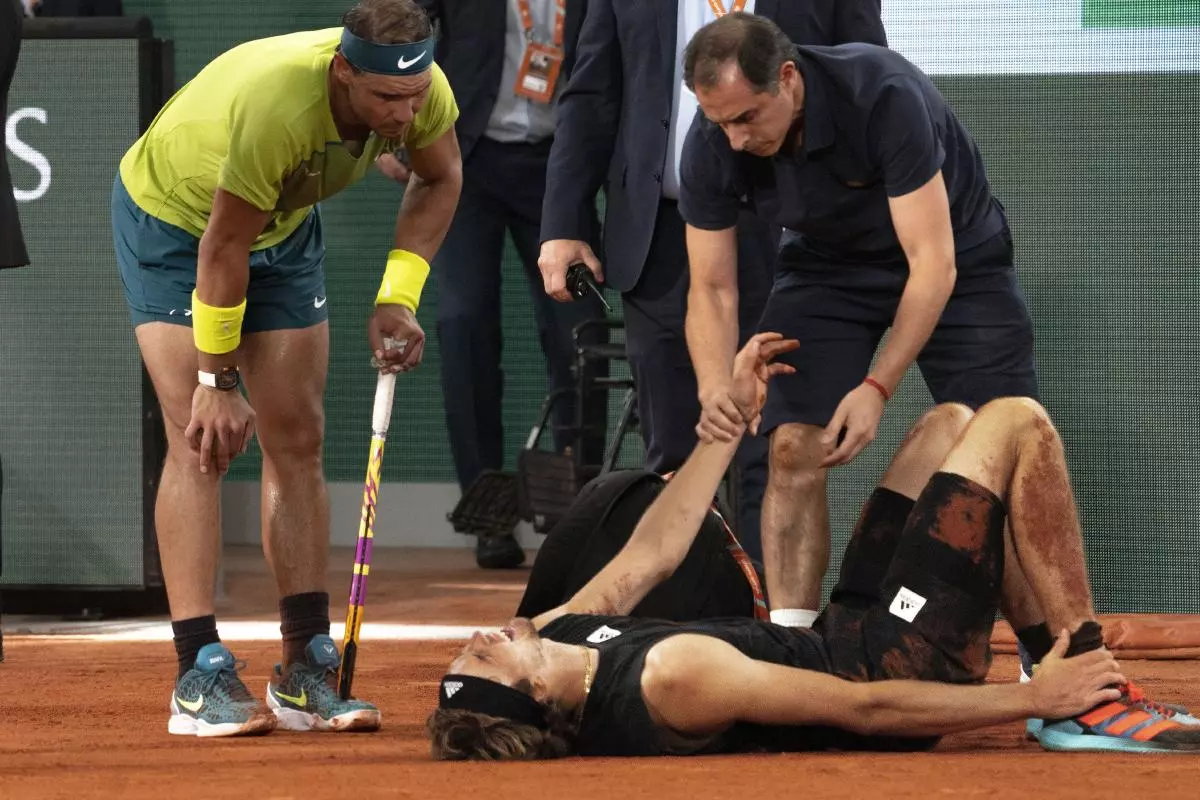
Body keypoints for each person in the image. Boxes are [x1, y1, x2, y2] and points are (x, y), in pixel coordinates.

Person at [425, 332, 1200, 759]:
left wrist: (726, 428)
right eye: (484, 657)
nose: (480, 636)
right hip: (896, 664)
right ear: (533, 692)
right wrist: (1027, 700)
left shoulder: (560, 634)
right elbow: (860, 708)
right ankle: (1090, 697)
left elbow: (649, 554)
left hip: (852, 630)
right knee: (1017, 422)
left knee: (950, 424)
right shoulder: (669, 678)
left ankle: (1055, 670)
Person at [111, 0, 462, 737]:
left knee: (298, 435)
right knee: (200, 438)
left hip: (282, 227)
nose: (405, 114)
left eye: (415, 94)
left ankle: (304, 666)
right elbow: (222, 250)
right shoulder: (280, 105)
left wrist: (398, 297)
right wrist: (217, 382)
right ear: (343, 73)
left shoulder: (426, 93)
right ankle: (196, 669)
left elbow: (438, 179)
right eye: (386, 98)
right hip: (179, 225)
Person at [677, 14, 1041, 628]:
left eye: (746, 118)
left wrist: (877, 386)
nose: (734, 139)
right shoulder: (715, 141)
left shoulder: (882, 94)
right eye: (719, 122)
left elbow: (933, 265)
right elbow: (711, 287)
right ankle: (793, 647)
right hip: (827, 269)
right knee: (792, 446)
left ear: (788, 79)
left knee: (1009, 450)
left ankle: (1050, 661)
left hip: (958, 265)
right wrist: (715, 385)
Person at [536, 0, 889, 565]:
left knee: (768, 443)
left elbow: (861, 78)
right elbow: (591, 92)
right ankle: (682, 620)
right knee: (675, 445)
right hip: (658, 234)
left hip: (791, 234)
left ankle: (764, 625)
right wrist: (563, 223)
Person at [399, 0, 605, 570]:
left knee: (579, 334)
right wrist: (398, 131)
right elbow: (399, 23)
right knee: (463, 322)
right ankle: (487, 513)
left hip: (559, 168)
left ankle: (576, 514)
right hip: (467, 161)